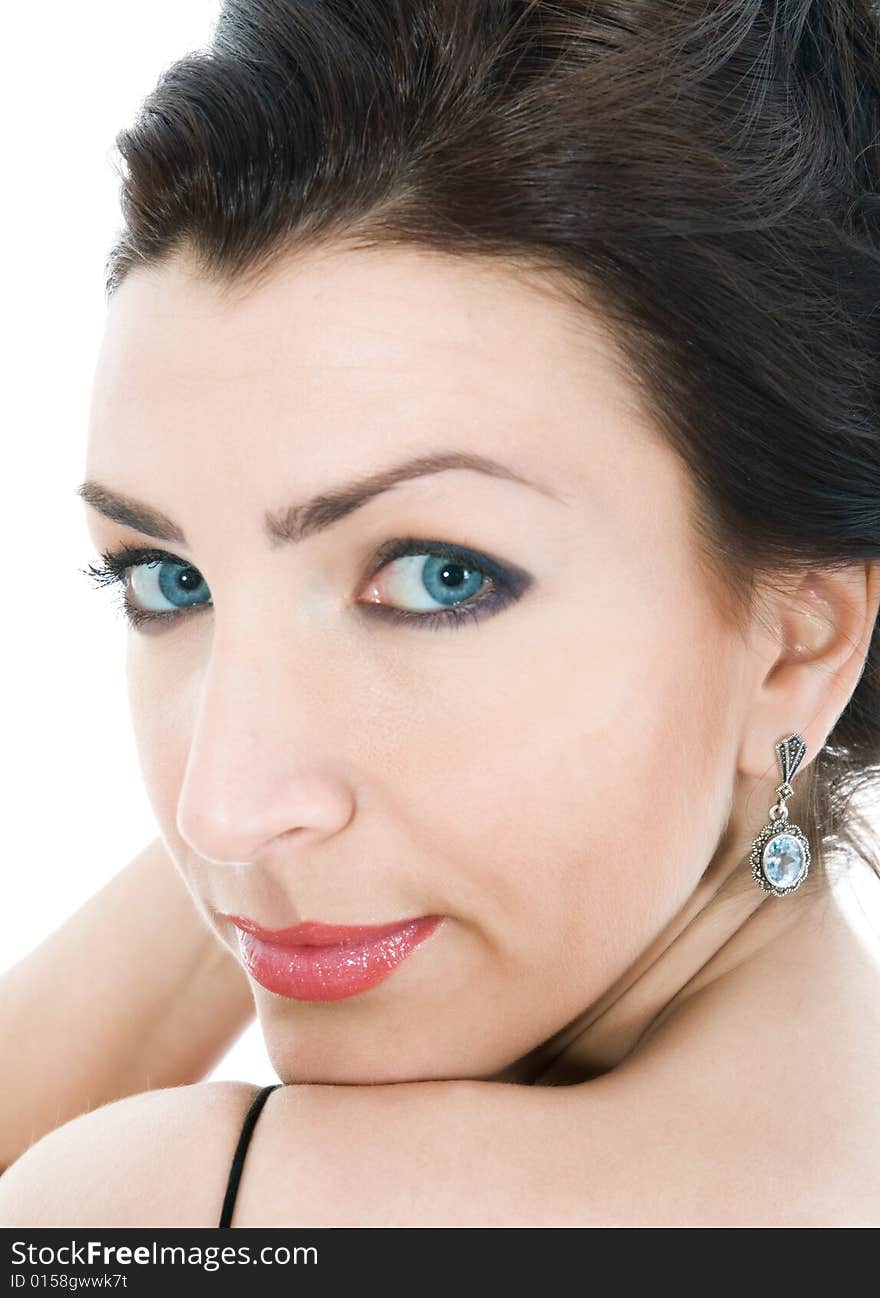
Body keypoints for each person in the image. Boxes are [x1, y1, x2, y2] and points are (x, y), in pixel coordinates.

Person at [1, 0, 879, 1228]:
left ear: (798, 639)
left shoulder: (189, 1212)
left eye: (436, 577)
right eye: (168, 580)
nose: (219, 805)